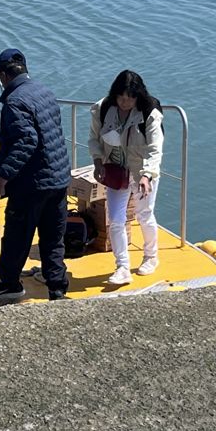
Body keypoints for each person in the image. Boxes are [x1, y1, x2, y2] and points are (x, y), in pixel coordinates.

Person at [0, 48, 71, 301]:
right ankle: (57, 288)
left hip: (32, 183)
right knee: (53, 238)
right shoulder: (43, 91)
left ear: (5, 76)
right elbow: (35, 127)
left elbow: (27, 140)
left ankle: (9, 284)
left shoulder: (14, 101)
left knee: (17, 236)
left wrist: (2, 178)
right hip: (59, 177)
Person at [87, 70, 164, 285]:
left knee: (144, 214)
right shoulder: (102, 109)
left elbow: (155, 150)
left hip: (142, 173)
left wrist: (147, 175)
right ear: (115, 95)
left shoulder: (150, 114)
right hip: (116, 171)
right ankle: (122, 266)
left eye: (130, 98)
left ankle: (151, 256)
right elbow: (93, 139)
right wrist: (98, 161)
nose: (125, 102)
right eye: (121, 98)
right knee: (115, 219)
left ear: (138, 96)